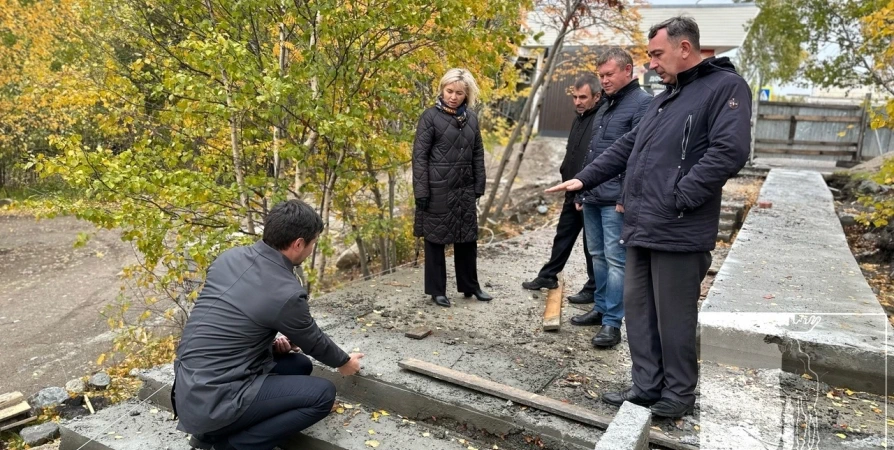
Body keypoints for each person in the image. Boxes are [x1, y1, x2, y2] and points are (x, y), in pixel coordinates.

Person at [546, 16, 751, 418]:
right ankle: (646, 385)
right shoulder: (666, 97)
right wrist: (583, 179)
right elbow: (627, 147)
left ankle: (677, 395)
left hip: (679, 226)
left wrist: (681, 197)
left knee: (673, 317)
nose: (652, 63)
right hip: (641, 224)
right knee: (639, 311)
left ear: (684, 48)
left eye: (657, 54)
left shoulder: (725, 88)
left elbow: (729, 151)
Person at [173, 200, 364, 450]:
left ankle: (208, 435)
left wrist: (270, 346)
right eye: (314, 241)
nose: (313, 246)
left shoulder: (230, 258)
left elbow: (230, 324)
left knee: (299, 365)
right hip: (217, 400)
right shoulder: (286, 291)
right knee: (322, 395)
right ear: (298, 243)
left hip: (190, 389)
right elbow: (314, 340)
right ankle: (234, 445)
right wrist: (345, 362)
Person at [570, 48, 652, 349]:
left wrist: (626, 195)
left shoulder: (643, 105)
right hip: (593, 195)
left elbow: (639, 156)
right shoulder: (605, 105)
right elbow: (594, 152)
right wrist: (583, 189)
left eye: (609, 74)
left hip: (616, 198)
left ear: (628, 71)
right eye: (601, 75)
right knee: (597, 256)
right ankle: (601, 308)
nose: (603, 80)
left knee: (617, 260)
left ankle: (612, 324)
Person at [413, 68, 492, 308]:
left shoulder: (472, 118)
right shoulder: (430, 117)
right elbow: (419, 157)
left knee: (467, 239)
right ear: (442, 90)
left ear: (466, 94)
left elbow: (477, 153)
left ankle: (471, 286)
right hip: (438, 188)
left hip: (464, 189)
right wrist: (422, 191)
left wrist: (479, 183)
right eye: (449, 91)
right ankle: (437, 291)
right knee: (436, 240)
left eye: (459, 93)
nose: (453, 96)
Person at [520, 74, 600, 303]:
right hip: (572, 189)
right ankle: (548, 276)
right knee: (563, 236)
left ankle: (593, 287)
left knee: (590, 244)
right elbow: (573, 153)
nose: (577, 101)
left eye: (583, 97)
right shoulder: (580, 118)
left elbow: (595, 160)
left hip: (590, 191)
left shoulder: (601, 119)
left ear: (597, 96)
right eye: (574, 97)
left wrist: (584, 191)